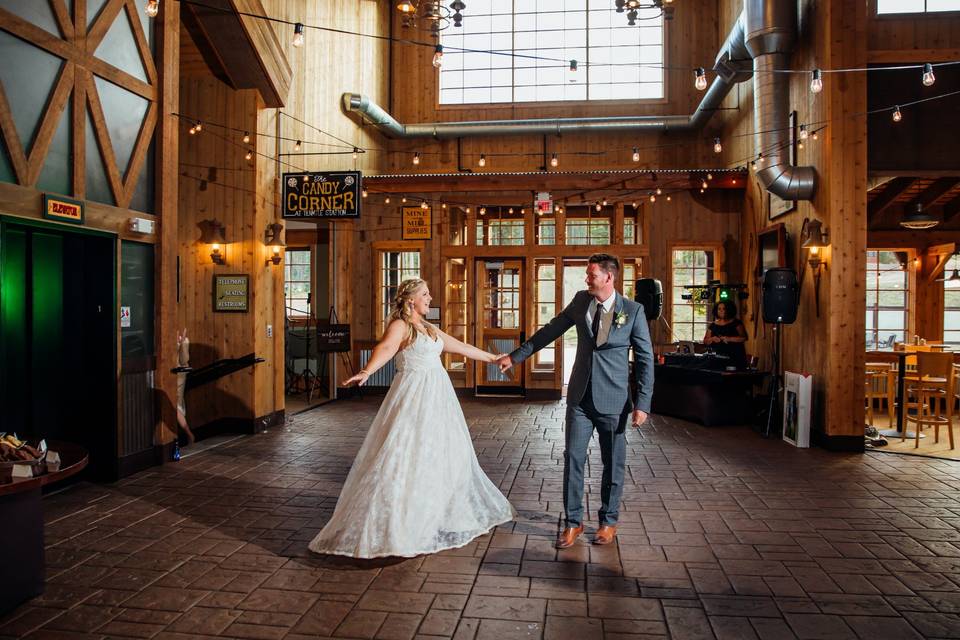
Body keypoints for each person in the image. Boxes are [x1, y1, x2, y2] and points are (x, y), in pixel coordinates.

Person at [309, 278, 515, 558]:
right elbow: (385, 349)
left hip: (438, 398)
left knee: (441, 454)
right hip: (413, 396)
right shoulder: (401, 326)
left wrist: (493, 359)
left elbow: (462, 347)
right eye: (425, 294)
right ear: (410, 300)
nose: (430, 298)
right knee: (405, 453)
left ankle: (435, 512)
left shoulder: (429, 328)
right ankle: (397, 523)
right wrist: (367, 372)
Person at [495, 254, 654, 549]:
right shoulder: (581, 301)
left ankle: (608, 521)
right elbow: (551, 330)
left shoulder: (633, 311)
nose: (586, 279)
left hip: (614, 401)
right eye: (587, 274)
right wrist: (515, 356)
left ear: (609, 278)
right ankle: (573, 522)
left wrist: (642, 403)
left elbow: (645, 359)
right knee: (573, 459)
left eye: (591, 275)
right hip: (579, 398)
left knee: (613, 464)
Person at [702, 300, 747, 367]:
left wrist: (729, 338)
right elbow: (705, 341)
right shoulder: (713, 325)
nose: (721, 311)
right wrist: (712, 339)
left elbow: (744, 338)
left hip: (735, 358)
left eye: (724, 309)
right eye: (719, 309)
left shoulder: (736, 323)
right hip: (718, 358)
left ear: (729, 310)